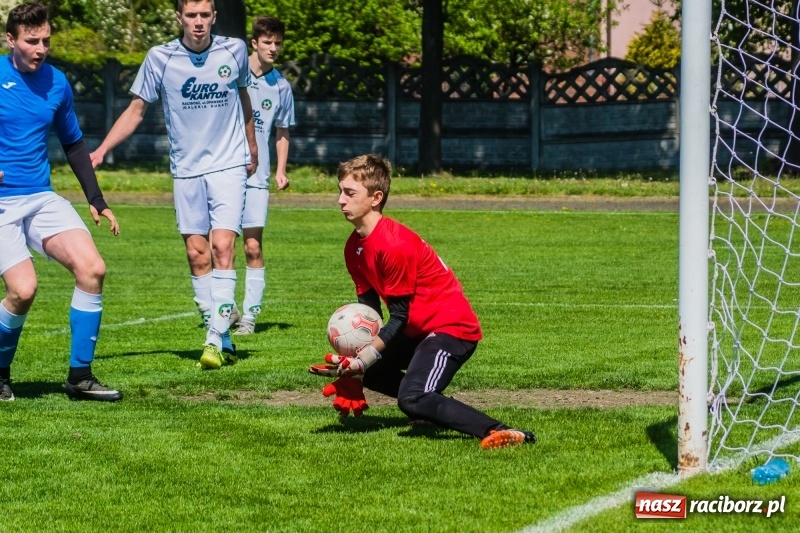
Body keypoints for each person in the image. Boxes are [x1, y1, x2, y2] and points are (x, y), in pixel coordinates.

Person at [315, 154, 537, 449]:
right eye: (340, 191)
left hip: (451, 330)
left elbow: (399, 315)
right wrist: (355, 365)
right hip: (415, 331)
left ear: (376, 197)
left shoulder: (393, 244)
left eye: (350, 192)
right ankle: (430, 405)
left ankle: (502, 430)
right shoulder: (354, 246)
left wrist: (363, 357)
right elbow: (370, 314)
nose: (341, 200)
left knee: (412, 398)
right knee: (375, 373)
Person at [89, 0, 258, 370]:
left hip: (228, 164)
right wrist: (102, 149)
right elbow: (136, 109)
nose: (198, 23)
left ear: (214, 17)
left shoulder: (236, 49)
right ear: (179, 18)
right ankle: (224, 334)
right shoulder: (159, 58)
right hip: (185, 170)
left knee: (223, 245)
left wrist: (252, 145)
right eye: (191, 16)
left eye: (204, 16)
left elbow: (244, 96)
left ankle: (213, 340)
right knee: (197, 255)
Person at [0, 1, 122, 402]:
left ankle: (80, 377)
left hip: (39, 196)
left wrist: (96, 198)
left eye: (46, 41)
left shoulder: (57, 82)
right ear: (10, 40)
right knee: (23, 290)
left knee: (92, 268)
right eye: (31, 41)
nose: (40, 49)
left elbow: (73, 143)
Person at [232, 15, 295, 335]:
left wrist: (281, 170)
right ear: (253, 43)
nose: (273, 48)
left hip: (258, 174)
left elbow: (281, 131)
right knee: (220, 242)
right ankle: (225, 308)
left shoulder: (281, 87)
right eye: (267, 42)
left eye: (278, 43)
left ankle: (250, 318)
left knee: (253, 246)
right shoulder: (232, 73)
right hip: (226, 168)